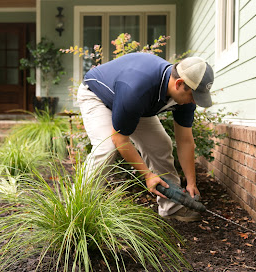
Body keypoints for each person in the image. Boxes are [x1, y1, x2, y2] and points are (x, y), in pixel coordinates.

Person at [77, 52, 214, 222]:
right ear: (179, 84)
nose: (194, 103)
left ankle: (171, 208)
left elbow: (185, 141)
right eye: (194, 97)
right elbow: (120, 140)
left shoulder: (184, 97)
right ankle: (79, 210)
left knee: (161, 145)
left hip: (134, 104)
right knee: (107, 149)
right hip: (97, 96)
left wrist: (191, 183)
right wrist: (148, 175)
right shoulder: (137, 89)